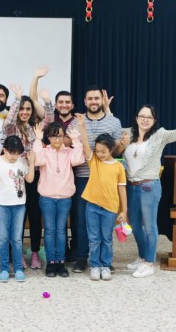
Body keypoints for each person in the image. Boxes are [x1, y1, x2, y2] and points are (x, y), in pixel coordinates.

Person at [120, 102, 176, 278]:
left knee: (149, 226)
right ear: (136, 118)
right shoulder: (128, 133)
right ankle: (142, 257)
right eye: (142, 116)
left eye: (149, 117)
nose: (145, 120)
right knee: (136, 227)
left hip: (149, 186)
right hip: (132, 186)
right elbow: (114, 126)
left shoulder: (160, 135)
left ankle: (149, 263)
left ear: (154, 120)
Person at [68, 86, 122, 273]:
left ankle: (102, 259)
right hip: (83, 178)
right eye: (89, 98)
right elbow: (69, 145)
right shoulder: (76, 122)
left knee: (105, 223)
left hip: (107, 179)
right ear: (84, 101)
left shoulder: (114, 122)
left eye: (96, 98)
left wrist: (123, 144)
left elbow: (117, 150)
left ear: (102, 100)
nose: (93, 102)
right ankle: (83, 258)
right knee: (83, 222)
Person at [2, 84, 54, 269]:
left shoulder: (36, 127)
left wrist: (47, 101)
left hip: (34, 176)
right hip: (14, 178)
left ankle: (34, 253)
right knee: (17, 216)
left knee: (34, 215)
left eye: (28, 108)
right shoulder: (11, 128)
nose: (24, 111)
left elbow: (49, 119)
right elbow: (9, 120)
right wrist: (17, 98)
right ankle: (17, 254)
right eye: (22, 108)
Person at [76, 113, 128, 281]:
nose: (99, 154)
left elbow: (122, 191)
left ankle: (105, 265)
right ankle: (95, 265)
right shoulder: (94, 161)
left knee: (106, 238)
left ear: (111, 149)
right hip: (92, 207)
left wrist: (124, 211)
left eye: (103, 151)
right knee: (94, 238)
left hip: (110, 209)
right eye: (97, 151)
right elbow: (85, 145)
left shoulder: (119, 167)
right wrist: (82, 126)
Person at [33, 122, 84, 277]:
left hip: (64, 198)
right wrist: (37, 140)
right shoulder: (44, 151)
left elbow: (78, 160)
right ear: (48, 137)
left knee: (61, 231)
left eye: (60, 135)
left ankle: (61, 262)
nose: (57, 139)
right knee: (49, 230)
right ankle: (51, 262)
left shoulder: (69, 151)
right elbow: (38, 161)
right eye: (54, 135)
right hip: (47, 197)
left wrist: (76, 141)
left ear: (64, 137)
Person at [0, 136, 35, 282]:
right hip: (2, 204)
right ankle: (3, 268)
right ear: (5, 150)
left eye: (18, 153)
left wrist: (31, 162)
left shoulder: (21, 161)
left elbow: (29, 179)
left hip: (19, 204)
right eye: (12, 153)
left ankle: (18, 268)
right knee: (3, 238)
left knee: (16, 238)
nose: (15, 156)